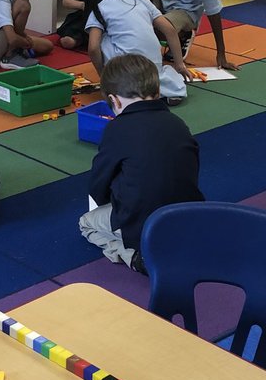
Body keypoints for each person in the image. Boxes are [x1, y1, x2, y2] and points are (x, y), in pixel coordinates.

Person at [80, 53, 203, 273]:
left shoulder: (117, 128)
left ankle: (134, 257)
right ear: (157, 92)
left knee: (87, 223)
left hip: (143, 225)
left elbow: (98, 185)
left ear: (114, 100)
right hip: (187, 216)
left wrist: (109, 201)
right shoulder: (178, 123)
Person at [86, 0, 190, 104]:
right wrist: (180, 65)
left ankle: (121, 88)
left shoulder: (101, 7)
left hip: (124, 70)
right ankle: (168, 89)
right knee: (160, 74)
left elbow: (93, 47)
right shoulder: (143, 1)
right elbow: (170, 31)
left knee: (101, 37)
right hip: (153, 69)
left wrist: (103, 78)